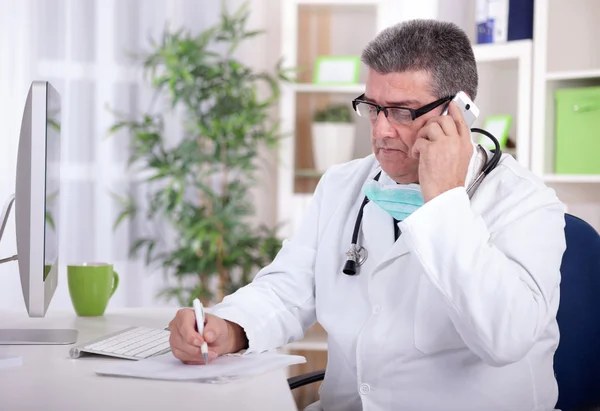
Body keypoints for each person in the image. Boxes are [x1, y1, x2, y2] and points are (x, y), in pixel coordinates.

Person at [168, 19, 566, 411]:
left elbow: (505, 339)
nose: (381, 130)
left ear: (458, 113)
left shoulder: (525, 203)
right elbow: (287, 289)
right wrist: (229, 327)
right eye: (373, 108)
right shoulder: (343, 185)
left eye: (402, 112)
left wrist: (445, 202)